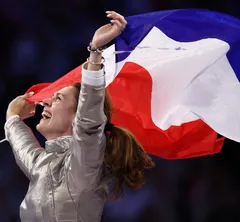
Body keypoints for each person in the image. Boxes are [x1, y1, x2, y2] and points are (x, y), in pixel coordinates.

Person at [4, 11, 155, 222]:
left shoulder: (84, 162)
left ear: (78, 117)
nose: (45, 102)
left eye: (56, 98)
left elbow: (89, 120)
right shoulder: (45, 164)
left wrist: (95, 52)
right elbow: (24, 149)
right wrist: (12, 120)